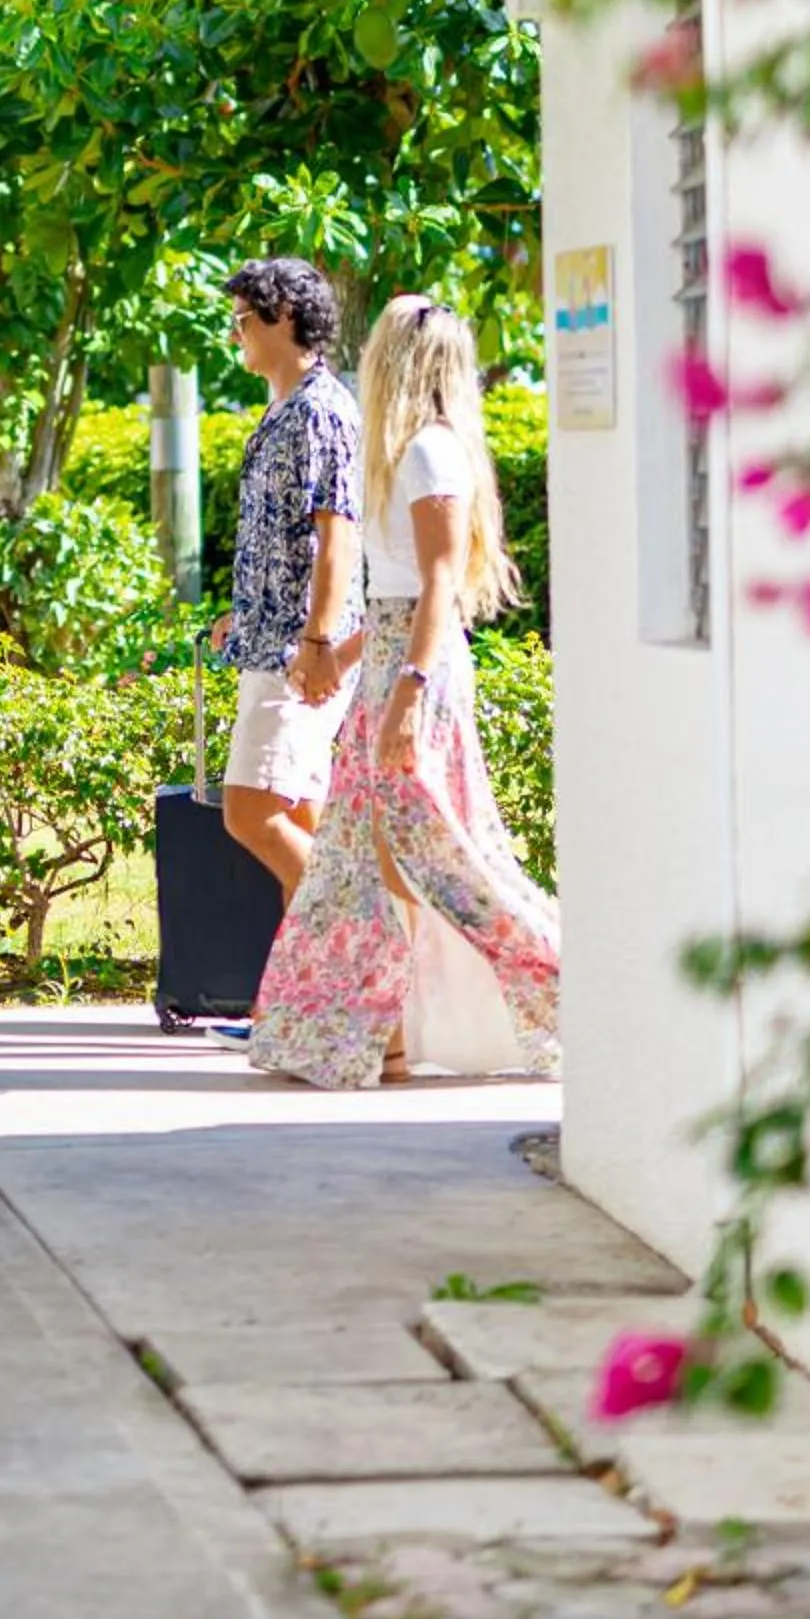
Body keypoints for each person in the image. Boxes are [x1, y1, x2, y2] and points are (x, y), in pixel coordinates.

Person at [247, 296, 560, 1090]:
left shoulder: (429, 454)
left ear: (404, 359)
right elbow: (393, 595)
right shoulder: (408, 453)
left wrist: (407, 694)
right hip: (391, 662)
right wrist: (340, 661)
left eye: (379, 342)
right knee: (372, 862)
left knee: (446, 861)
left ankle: (570, 992)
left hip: (416, 672)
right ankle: (377, 1033)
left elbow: (438, 586)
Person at [211, 257, 362, 900]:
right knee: (297, 819)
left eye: (243, 320)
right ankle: (320, 992)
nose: (235, 334)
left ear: (286, 318)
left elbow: (340, 533)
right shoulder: (286, 411)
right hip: (275, 642)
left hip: (298, 656)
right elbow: (285, 538)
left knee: (251, 812)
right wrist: (240, 615)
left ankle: (359, 941)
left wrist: (320, 642)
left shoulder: (318, 412)